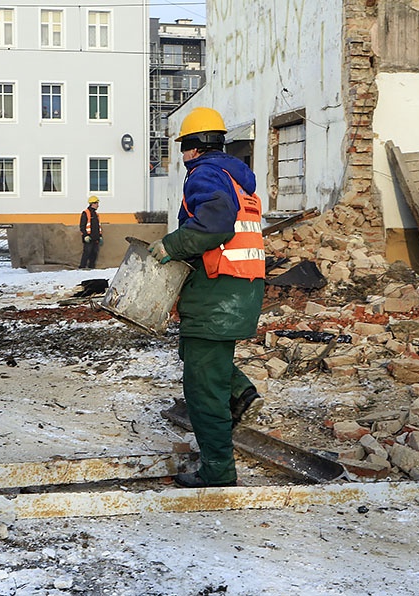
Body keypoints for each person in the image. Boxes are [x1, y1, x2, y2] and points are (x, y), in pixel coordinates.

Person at [148, 107, 266, 488]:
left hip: (218, 292)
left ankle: (218, 471)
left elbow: (214, 223)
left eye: (183, 148)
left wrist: (171, 245)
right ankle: (240, 391)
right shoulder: (236, 176)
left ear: (194, 147)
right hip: (239, 289)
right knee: (199, 358)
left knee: (202, 387)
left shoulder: (205, 174)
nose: (182, 156)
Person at [79, 195, 103, 269]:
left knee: (94, 254)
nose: (98, 205)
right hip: (88, 238)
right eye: (97, 203)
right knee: (87, 253)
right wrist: (85, 235)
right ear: (93, 203)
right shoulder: (85, 213)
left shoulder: (96, 214)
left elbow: (98, 227)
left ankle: (91, 268)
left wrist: (100, 236)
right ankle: (82, 267)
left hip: (95, 238)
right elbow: (82, 226)